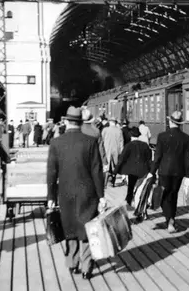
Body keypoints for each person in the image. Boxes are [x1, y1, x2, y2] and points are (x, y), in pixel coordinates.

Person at [47, 106, 106, 280]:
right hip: (88, 193)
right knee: (87, 229)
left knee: (70, 227)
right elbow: (97, 172)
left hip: (66, 194)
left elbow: (51, 173)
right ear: (80, 123)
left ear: (66, 121)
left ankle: (72, 264)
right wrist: (101, 196)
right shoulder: (90, 142)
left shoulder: (56, 143)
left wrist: (51, 197)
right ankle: (87, 267)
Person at [147, 110, 189, 233]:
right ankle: (171, 219)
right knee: (173, 195)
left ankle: (170, 220)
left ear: (170, 121)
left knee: (163, 196)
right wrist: (188, 176)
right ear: (180, 123)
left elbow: (158, 156)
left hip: (164, 171)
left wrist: (151, 172)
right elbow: (188, 158)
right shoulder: (186, 138)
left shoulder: (162, 136)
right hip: (179, 172)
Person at [115, 126, 152, 208]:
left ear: (130, 135)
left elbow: (122, 158)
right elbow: (149, 158)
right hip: (143, 170)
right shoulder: (145, 145)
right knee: (140, 187)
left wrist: (116, 171)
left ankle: (129, 201)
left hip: (132, 171)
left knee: (131, 186)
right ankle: (140, 202)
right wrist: (151, 171)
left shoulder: (128, 145)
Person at [101, 118, 124, 187]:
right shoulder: (119, 130)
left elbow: (101, 140)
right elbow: (121, 142)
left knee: (106, 167)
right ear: (115, 123)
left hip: (106, 150)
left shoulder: (105, 130)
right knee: (115, 167)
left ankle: (104, 183)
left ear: (109, 122)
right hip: (116, 151)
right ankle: (112, 182)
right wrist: (121, 152)